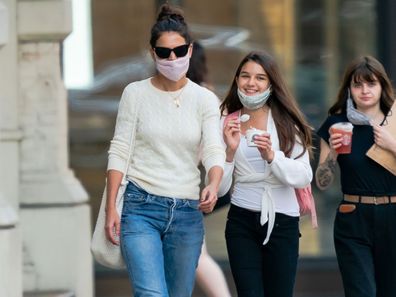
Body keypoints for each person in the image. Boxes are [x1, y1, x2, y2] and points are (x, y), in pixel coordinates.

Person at [104, 4, 225, 297]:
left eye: (179, 51)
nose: (172, 58)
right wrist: (111, 207)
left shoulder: (204, 99)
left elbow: (212, 147)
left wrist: (214, 181)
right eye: (163, 52)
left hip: (186, 210)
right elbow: (120, 149)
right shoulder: (135, 93)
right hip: (140, 207)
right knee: (151, 294)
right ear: (152, 53)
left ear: (190, 50)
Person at [218, 51, 313, 297]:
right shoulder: (227, 121)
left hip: (282, 223)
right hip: (241, 221)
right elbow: (219, 188)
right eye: (245, 76)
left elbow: (304, 175)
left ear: (271, 83)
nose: (251, 83)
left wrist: (272, 157)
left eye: (260, 78)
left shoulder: (286, 122)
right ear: (237, 79)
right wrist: (230, 151)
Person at [315, 55, 396, 297]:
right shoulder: (337, 124)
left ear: (382, 86)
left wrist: (392, 144)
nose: (365, 90)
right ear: (349, 88)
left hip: (392, 215)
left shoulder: (393, 123)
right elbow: (322, 181)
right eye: (357, 84)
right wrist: (333, 155)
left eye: (371, 83)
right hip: (353, 216)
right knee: (361, 292)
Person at [187, 41, 232, 297]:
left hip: (197, 185)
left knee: (196, 252)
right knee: (194, 251)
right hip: (200, 184)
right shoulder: (207, 93)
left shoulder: (201, 95)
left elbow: (210, 146)